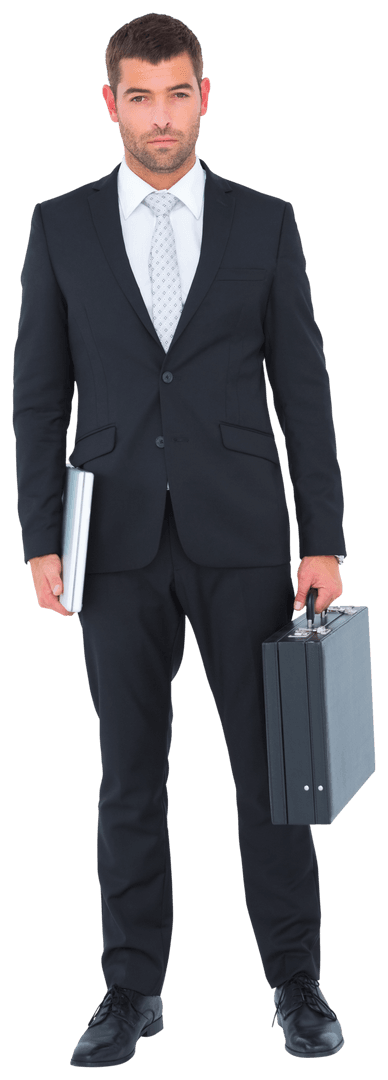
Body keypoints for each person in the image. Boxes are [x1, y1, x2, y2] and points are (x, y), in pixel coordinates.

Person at [12, 12, 347, 1066]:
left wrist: (323, 534)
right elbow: (35, 397)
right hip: (109, 541)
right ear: (111, 104)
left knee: (273, 775)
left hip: (245, 535)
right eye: (140, 96)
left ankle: (296, 983)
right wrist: (37, 535)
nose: (161, 117)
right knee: (125, 776)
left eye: (178, 93)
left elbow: (305, 388)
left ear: (207, 94)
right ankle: (129, 988)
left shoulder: (265, 222)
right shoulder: (59, 224)